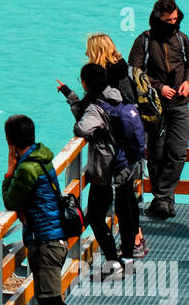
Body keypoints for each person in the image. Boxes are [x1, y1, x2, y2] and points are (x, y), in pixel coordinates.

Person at [2, 114, 99, 305]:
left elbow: (10, 200)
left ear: (11, 142)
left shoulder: (26, 168)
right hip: (55, 237)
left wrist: (9, 171)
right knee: (50, 297)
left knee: (50, 299)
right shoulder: (42, 158)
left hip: (45, 240)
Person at [57, 64, 144, 282]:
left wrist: (78, 122)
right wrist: (70, 96)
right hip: (126, 163)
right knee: (125, 212)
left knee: (95, 216)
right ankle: (127, 260)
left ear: (87, 83)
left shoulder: (95, 107)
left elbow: (83, 128)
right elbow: (88, 112)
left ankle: (113, 263)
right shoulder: (117, 95)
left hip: (106, 170)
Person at [83, 32, 148, 258]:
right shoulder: (124, 70)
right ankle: (135, 242)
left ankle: (128, 253)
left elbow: (87, 120)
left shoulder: (107, 80)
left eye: (88, 50)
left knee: (121, 203)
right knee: (127, 198)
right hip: (133, 142)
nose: (85, 54)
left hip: (118, 149)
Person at [128, 0, 189, 219]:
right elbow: (135, 72)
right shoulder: (143, 41)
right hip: (153, 106)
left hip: (179, 103)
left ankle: (162, 197)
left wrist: (188, 83)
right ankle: (165, 200)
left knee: (179, 152)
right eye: (169, 20)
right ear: (158, 18)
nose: (174, 23)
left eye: (176, 18)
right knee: (156, 154)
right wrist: (159, 87)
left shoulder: (182, 39)